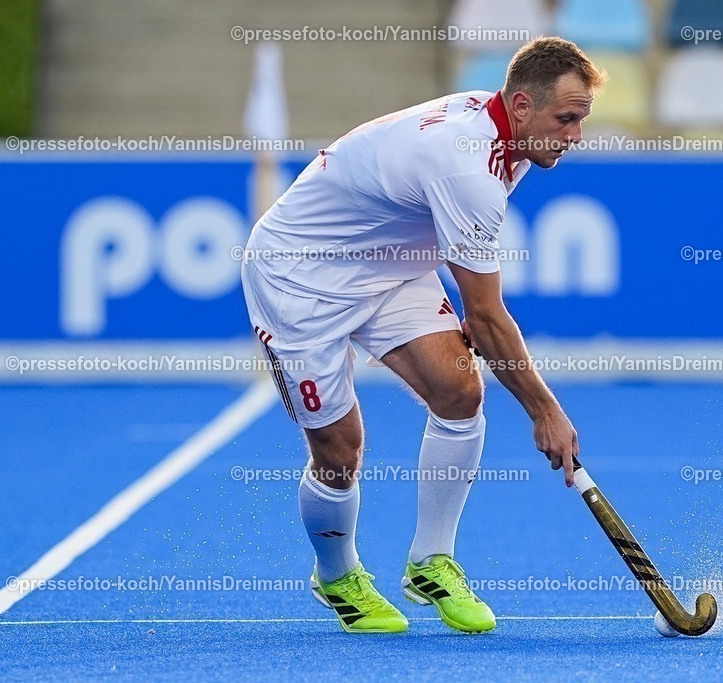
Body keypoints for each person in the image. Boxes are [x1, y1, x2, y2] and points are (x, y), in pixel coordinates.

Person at [241, 36, 606, 633]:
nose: (575, 137)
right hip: (299, 276)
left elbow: (480, 311)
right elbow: (487, 317)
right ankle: (337, 576)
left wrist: (482, 335)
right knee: (340, 451)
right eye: (566, 120)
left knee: (460, 393)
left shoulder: (503, 133)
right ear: (520, 106)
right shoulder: (468, 166)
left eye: (581, 121)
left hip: (390, 264)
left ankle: (431, 562)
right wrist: (546, 411)